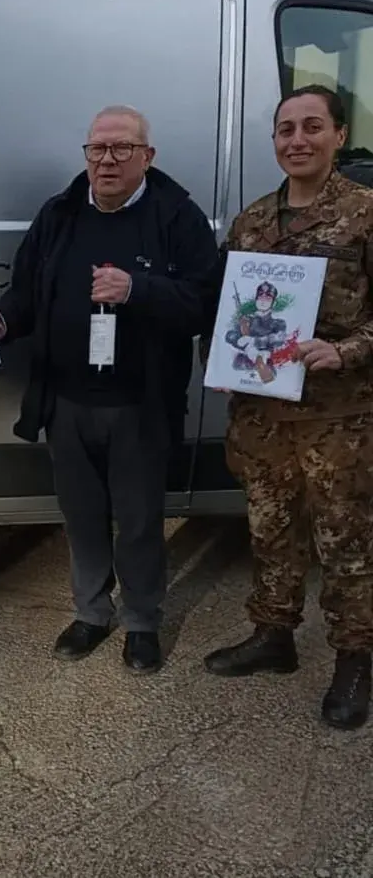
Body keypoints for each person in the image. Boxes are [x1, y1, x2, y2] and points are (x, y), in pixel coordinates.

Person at [0, 105, 220, 673]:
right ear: (86, 155)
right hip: (67, 401)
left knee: (139, 518)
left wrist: (138, 289)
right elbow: (25, 292)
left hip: (140, 404)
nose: (107, 160)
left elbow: (204, 304)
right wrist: (0, 322)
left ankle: (142, 621)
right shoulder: (60, 213)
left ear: (147, 156)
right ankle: (92, 612)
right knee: (82, 515)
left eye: (121, 149)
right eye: (97, 149)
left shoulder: (176, 217)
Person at [202, 84, 373, 731]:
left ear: (337, 135)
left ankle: (355, 658)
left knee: (346, 543)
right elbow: (231, 310)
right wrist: (220, 366)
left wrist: (348, 349)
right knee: (271, 532)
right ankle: (273, 636)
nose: (296, 140)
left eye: (310, 128)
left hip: (339, 421)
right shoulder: (252, 221)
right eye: (284, 130)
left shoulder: (364, 213)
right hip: (263, 416)